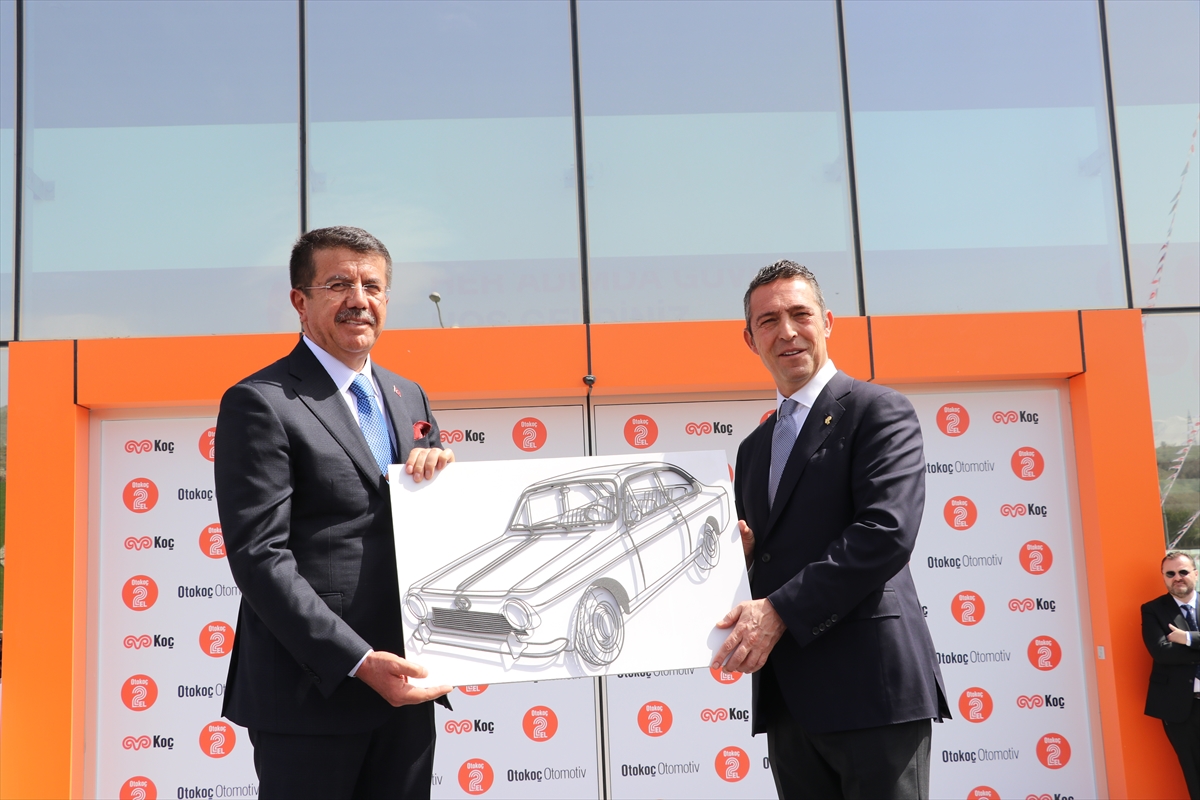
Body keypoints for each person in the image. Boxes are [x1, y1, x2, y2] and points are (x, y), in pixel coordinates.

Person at [214, 226, 454, 799]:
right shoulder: (261, 401)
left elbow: (431, 527)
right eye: (339, 284)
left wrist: (445, 483)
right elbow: (260, 558)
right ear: (300, 300)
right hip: (310, 693)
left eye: (373, 286)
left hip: (409, 685)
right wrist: (359, 661)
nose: (359, 300)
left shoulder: (409, 396)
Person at [713, 260, 949, 800]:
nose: (787, 332)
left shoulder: (877, 410)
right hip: (789, 699)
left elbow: (886, 532)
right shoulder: (753, 449)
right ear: (750, 339)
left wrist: (779, 611)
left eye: (800, 314)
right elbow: (772, 558)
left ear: (828, 322)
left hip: (872, 689)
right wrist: (738, 561)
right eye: (768, 321)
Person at [1142, 550, 1200, 799]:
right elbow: (1161, 652)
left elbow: (1175, 649)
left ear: (1195, 574)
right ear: (1164, 578)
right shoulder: (1153, 609)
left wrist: (1186, 638)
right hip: (1181, 708)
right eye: (1170, 574)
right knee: (1194, 772)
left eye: (1183, 571)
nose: (1177, 577)